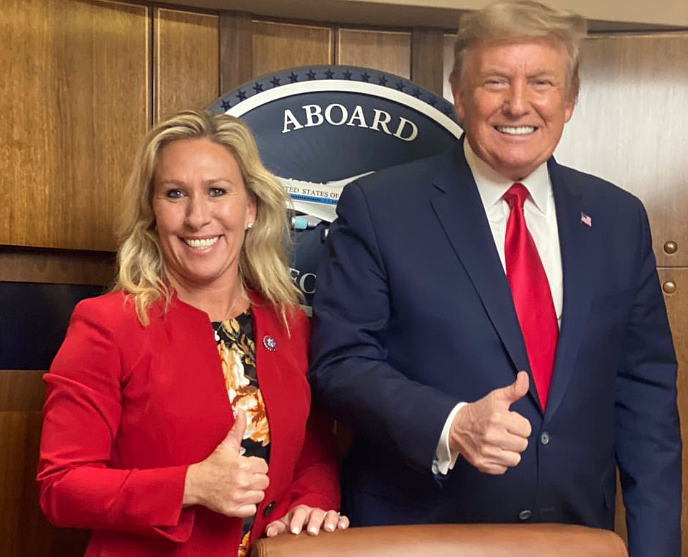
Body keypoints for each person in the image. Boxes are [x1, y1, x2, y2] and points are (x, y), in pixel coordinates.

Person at [308, 2, 681, 556]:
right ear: (459, 94)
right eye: (495, 81)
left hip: (573, 536)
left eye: (541, 82)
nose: (517, 104)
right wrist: (450, 424)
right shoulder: (380, 207)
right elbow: (340, 363)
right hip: (422, 535)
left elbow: (646, 400)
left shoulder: (619, 218)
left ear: (570, 99)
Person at [38, 110, 348, 557]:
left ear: (250, 210)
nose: (196, 217)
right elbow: (60, 487)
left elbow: (313, 456)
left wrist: (313, 505)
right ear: (152, 213)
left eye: (217, 191)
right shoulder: (107, 324)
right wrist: (190, 486)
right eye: (175, 194)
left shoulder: (291, 326)